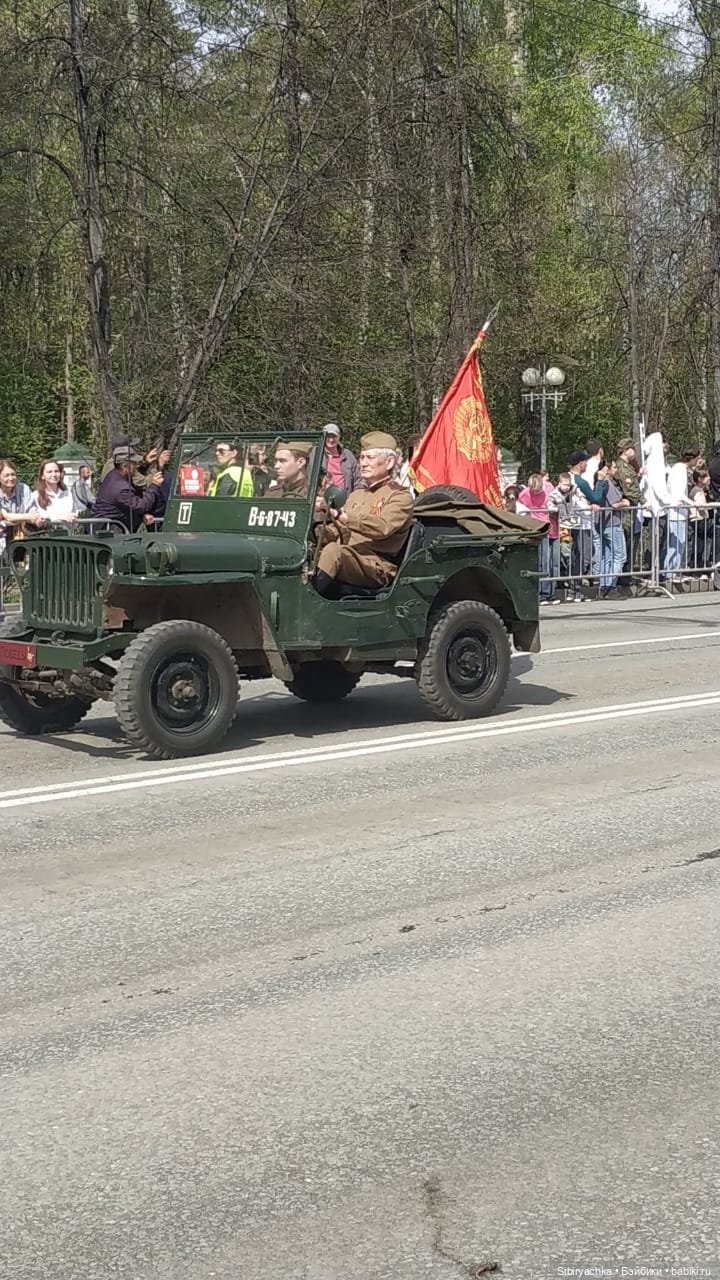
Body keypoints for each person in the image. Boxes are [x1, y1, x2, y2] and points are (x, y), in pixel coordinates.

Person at [314, 431, 413, 597]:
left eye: (370, 458)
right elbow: (339, 532)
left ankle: (307, 602)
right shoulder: (357, 494)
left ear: (389, 462)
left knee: (333, 551)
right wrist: (313, 528)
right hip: (348, 556)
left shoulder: (399, 496)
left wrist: (339, 515)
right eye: (361, 457)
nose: (363, 463)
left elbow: (382, 527)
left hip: (375, 564)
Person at [92, 445, 165, 531]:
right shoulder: (120, 488)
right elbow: (141, 506)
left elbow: (130, 504)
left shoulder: (114, 476)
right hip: (109, 530)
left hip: (111, 525)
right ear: (124, 466)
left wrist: (141, 515)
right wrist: (154, 486)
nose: (136, 466)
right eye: (133, 463)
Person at [518, 472, 558, 604]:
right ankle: (540, 593)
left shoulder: (549, 488)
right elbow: (520, 509)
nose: (535, 493)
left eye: (537, 490)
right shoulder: (524, 494)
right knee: (540, 561)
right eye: (533, 491)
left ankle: (549, 592)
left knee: (550, 562)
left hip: (549, 528)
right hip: (535, 529)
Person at [665, 446, 699, 582]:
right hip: (676, 512)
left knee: (679, 543)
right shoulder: (679, 470)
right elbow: (679, 493)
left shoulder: (679, 469)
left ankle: (673, 571)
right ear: (692, 458)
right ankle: (671, 573)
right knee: (677, 543)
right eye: (696, 458)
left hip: (679, 512)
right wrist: (692, 503)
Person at [546, 472, 578, 600]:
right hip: (559, 527)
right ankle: (558, 584)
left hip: (570, 526)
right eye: (564, 485)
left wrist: (572, 488)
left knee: (570, 555)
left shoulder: (571, 493)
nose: (566, 487)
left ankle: (565, 581)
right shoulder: (554, 495)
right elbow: (549, 506)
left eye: (568, 485)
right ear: (559, 483)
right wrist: (556, 510)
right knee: (563, 555)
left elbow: (576, 492)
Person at [0, 459, 42, 554]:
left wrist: (35, 519)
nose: (11, 478)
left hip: (22, 534)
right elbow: (6, 516)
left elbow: (32, 511)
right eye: (6, 475)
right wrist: (26, 517)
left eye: (13, 474)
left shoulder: (24, 488)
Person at [30, 460, 76, 524]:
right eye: (49, 472)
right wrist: (59, 517)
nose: (54, 474)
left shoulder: (68, 494)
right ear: (42, 476)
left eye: (56, 471)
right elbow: (37, 516)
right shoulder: (35, 496)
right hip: (46, 530)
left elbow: (74, 513)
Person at [321, 424, 361, 493]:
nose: (331, 440)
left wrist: (356, 494)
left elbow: (358, 479)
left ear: (339, 437)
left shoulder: (348, 455)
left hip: (345, 497)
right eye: (328, 436)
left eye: (334, 436)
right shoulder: (315, 454)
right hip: (320, 496)